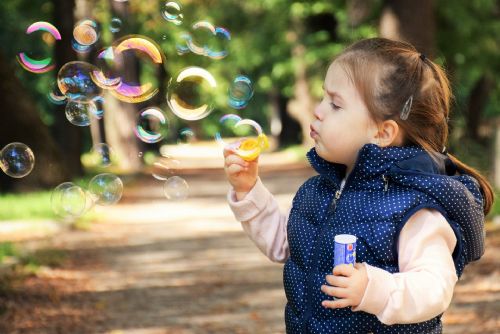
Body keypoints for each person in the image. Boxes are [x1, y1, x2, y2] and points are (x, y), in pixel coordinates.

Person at [223, 37, 494, 334]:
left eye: (336, 104)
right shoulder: (318, 192)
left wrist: (373, 289)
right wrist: (249, 190)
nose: (318, 110)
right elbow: (285, 245)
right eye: (324, 98)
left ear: (382, 132)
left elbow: (434, 287)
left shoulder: (412, 208)